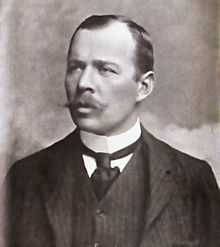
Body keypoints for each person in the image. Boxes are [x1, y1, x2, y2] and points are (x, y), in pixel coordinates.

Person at [5, 15, 220, 247]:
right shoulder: (24, 179)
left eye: (105, 69)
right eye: (75, 67)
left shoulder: (194, 180)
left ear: (143, 87)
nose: (84, 83)